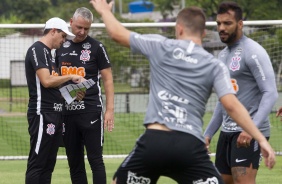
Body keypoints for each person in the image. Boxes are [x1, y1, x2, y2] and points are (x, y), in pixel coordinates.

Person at [89, 1, 276, 184]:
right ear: (204, 33)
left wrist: (104, 10)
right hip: (190, 146)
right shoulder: (215, 64)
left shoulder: (160, 46)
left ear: (178, 29)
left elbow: (116, 33)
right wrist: (261, 139)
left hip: (154, 143)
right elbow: (232, 105)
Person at [204, 1, 278, 184]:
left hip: (248, 132)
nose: (221, 28)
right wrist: (207, 134)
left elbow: (270, 93)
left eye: (227, 23)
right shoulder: (222, 56)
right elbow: (224, 102)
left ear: (240, 24)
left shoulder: (253, 52)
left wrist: (249, 128)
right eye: (219, 24)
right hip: (227, 132)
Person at [55, 7, 114, 184]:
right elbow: (53, 77)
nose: (82, 32)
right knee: (75, 163)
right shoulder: (60, 46)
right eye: (79, 27)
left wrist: (109, 110)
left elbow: (108, 80)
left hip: (91, 111)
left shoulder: (97, 47)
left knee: (95, 160)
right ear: (71, 22)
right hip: (67, 112)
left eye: (86, 29)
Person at [25, 17, 85, 184]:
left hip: (55, 113)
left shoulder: (49, 55)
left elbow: (53, 88)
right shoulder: (37, 49)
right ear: (53, 31)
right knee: (38, 163)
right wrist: (71, 76)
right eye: (63, 36)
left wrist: (74, 94)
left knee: (48, 164)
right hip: (42, 113)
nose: (64, 40)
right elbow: (46, 81)